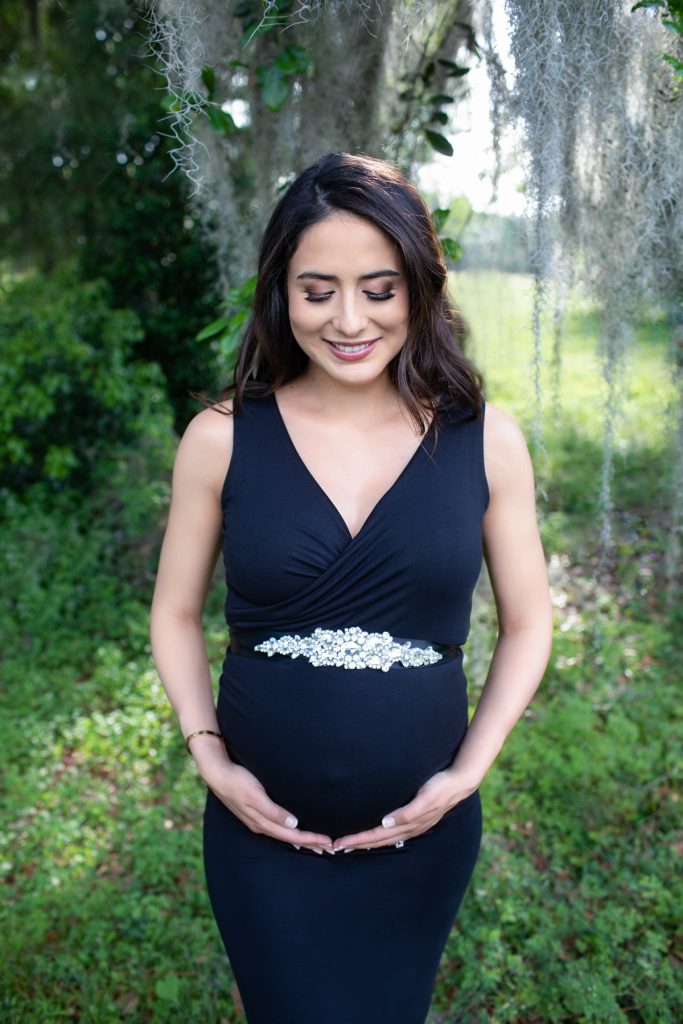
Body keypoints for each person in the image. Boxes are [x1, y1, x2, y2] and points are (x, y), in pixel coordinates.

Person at [149, 151, 553, 1024]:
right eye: (316, 289)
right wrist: (209, 755)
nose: (347, 319)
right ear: (279, 292)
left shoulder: (487, 440)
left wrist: (464, 777)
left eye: (378, 288)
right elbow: (175, 613)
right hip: (262, 838)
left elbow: (528, 625)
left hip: (425, 837)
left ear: (418, 289)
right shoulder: (220, 437)